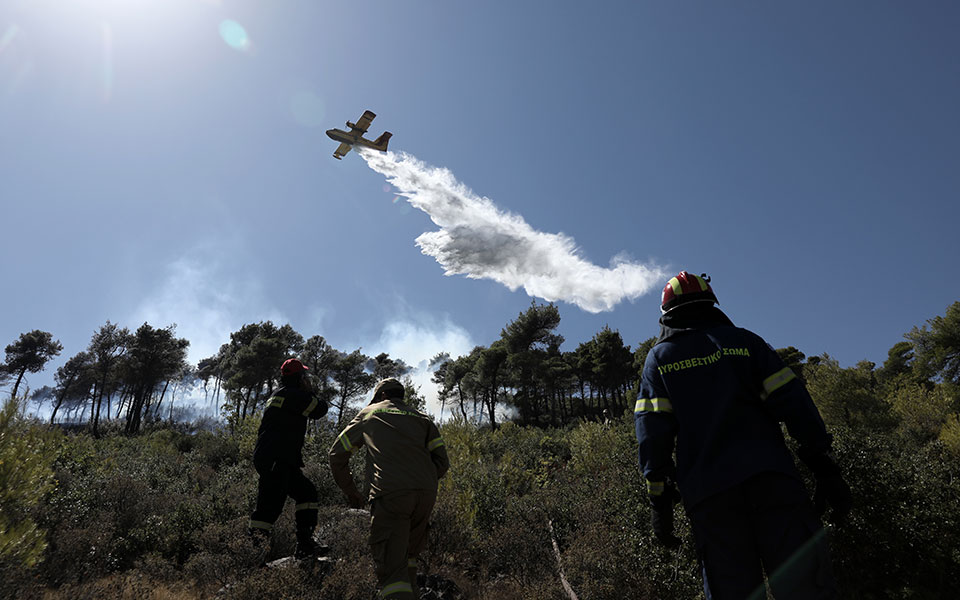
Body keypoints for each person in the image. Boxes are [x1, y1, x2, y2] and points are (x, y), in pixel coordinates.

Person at [634, 271, 852, 599]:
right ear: (712, 304)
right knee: (807, 588)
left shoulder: (660, 359)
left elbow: (652, 434)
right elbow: (795, 404)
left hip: (711, 498)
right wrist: (825, 467)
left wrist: (659, 503)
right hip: (774, 483)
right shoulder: (747, 343)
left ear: (666, 312)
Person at [329, 378, 449, 600]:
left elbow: (336, 455)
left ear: (382, 396)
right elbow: (442, 462)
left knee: (391, 568)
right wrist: (421, 481)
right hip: (425, 495)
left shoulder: (369, 413)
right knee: (408, 558)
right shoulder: (422, 418)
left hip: (391, 494)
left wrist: (351, 492)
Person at [249, 358, 329, 559]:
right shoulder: (295, 395)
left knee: (307, 493)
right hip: (278, 459)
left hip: (278, 458)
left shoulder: (279, 394)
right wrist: (310, 391)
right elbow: (320, 409)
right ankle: (253, 556)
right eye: (304, 375)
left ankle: (305, 545)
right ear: (299, 377)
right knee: (268, 509)